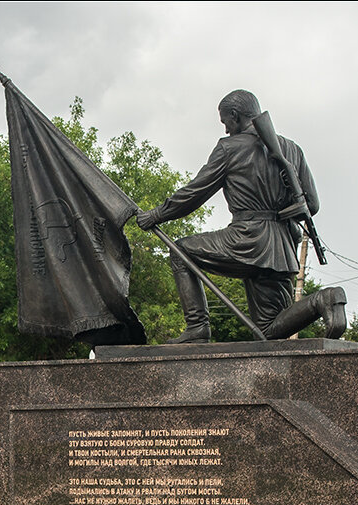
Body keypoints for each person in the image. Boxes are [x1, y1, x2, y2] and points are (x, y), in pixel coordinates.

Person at [137, 89, 346, 343]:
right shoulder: (292, 149)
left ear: (235, 116)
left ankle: (197, 327)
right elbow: (312, 204)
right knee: (269, 330)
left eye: (226, 122)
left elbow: (195, 193)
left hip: (247, 239)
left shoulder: (229, 148)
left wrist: (156, 214)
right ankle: (323, 300)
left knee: (182, 252)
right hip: (282, 248)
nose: (226, 130)